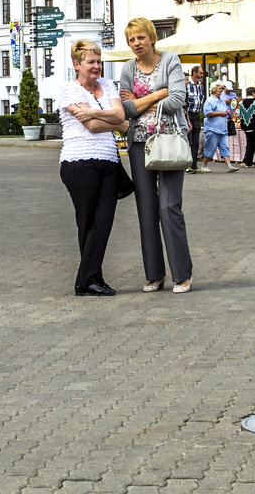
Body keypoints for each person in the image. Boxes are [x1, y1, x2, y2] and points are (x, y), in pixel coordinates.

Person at [119, 17, 193, 294]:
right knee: (146, 210)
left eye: (140, 38)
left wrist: (140, 99)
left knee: (169, 207)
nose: (136, 44)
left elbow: (177, 100)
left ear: (151, 37)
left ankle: (182, 274)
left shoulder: (170, 61)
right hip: (139, 145)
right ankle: (155, 275)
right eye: (131, 40)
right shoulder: (127, 67)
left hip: (169, 140)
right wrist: (157, 94)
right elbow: (125, 108)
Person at [58, 40, 129, 296]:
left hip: (109, 162)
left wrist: (96, 114)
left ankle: (88, 280)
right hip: (79, 163)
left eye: (99, 62)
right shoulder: (69, 90)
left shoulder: (108, 85)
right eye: (91, 62)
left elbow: (120, 116)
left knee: (104, 222)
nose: (97, 66)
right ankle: (91, 280)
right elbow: (92, 127)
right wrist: (112, 120)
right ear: (77, 65)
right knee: (88, 223)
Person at [202, 82, 239, 172]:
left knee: (224, 146)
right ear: (214, 89)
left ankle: (229, 166)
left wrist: (227, 112)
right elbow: (207, 113)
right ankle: (204, 165)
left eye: (222, 89)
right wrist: (222, 113)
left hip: (222, 128)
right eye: (220, 89)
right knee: (210, 147)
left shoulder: (221, 100)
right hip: (212, 128)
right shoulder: (210, 100)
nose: (221, 91)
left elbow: (223, 110)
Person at [238, 87, 255, 168]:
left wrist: (243, 124)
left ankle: (248, 162)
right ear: (253, 93)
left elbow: (241, 116)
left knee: (250, 144)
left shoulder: (242, 103)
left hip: (246, 126)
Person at [185, 65, 205, 173]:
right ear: (194, 73)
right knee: (189, 141)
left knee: (196, 142)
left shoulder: (200, 87)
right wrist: (188, 120)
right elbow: (185, 104)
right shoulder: (187, 86)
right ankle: (187, 165)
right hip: (189, 115)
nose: (202, 75)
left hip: (197, 114)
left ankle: (194, 165)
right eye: (200, 73)